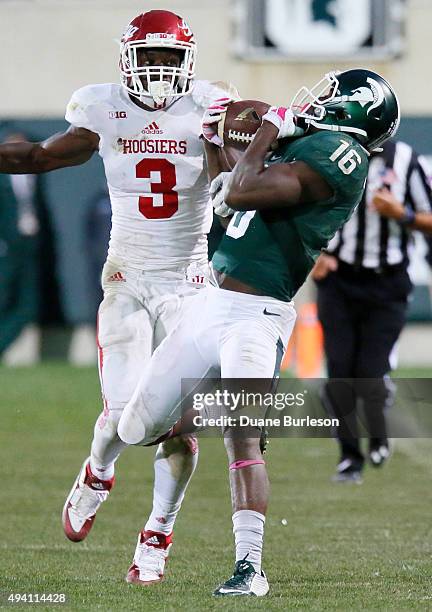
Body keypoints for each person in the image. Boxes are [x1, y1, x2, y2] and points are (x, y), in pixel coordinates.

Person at [116, 69, 400, 596]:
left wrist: (270, 127)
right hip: (208, 305)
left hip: (256, 315)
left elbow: (246, 190)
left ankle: (250, 568)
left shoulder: (343, 156)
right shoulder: (310, 144)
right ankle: (199, 420)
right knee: (139, 429)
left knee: (242, 438)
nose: (318, 99)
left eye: (332, 95)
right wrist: (213, 143)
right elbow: (229, 194)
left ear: (353, 110)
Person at [0, 10, 239, 584]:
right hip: (128, 280)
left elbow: (241, 179)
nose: (158, 70)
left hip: (191, 284)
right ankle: (98, 470)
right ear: (128, 58)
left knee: (180, 423)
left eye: (169, 58)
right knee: (126, 412)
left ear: (189, 62)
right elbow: (38, 157)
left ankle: (157, 533)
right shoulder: (101, 108)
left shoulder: (214, 105)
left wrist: (240, 138)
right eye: (149, 57)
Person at [312, 138, 432, 483]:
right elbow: (306, 211)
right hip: (340, 279)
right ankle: (350, 457)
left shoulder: (407, 159)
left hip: (387, 283)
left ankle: (378, 432)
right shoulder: (328, 152)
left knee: (369, 373)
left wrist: (403, 214)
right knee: (340, 371)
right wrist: (315, 254)